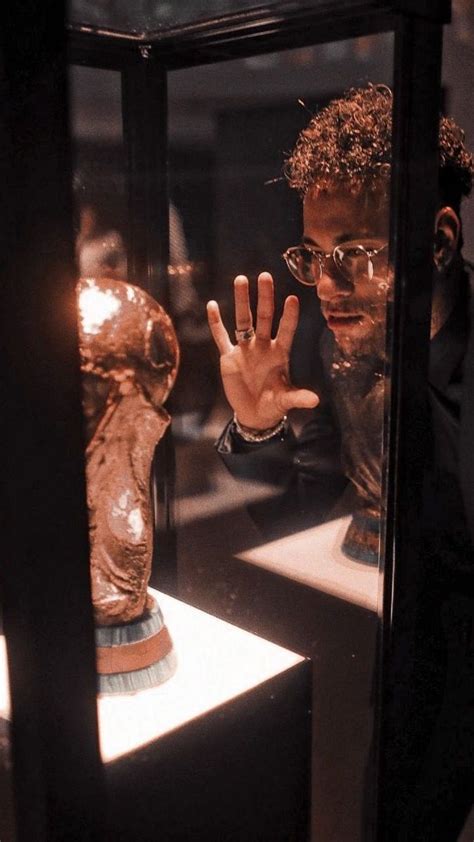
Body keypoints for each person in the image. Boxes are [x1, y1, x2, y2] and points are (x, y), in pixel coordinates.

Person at [207, 84, 474, 840]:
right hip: (399, 630)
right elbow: (302, 503)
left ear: (438, 243)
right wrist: (258, 427)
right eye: (315, 256)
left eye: (353, 254)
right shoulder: (339, 344)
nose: (327, 285)